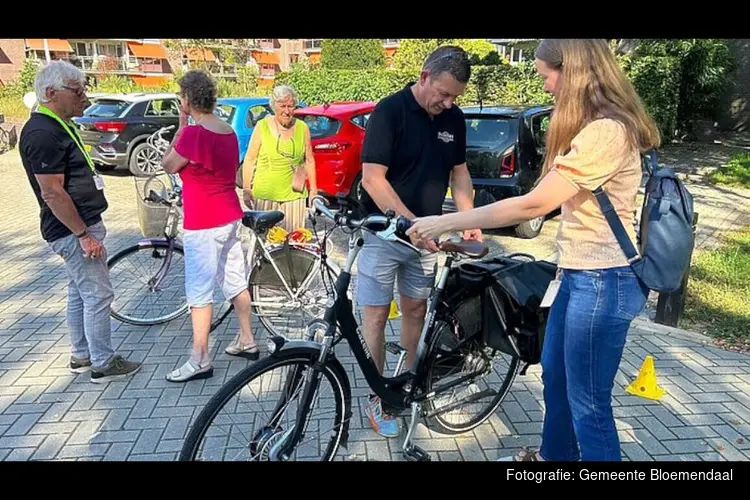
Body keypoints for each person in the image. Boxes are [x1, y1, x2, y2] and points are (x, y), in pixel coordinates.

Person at [406, 39, 661, 461]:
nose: (545, 87)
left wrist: (446, 220)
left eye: (546, 75)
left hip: (602, 283)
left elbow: (534, 204)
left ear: (573, 70)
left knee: (589, 405)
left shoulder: (607, 132)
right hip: (576, 278)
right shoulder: (593, 127)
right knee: (556, 382)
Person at [356, 45, 482, 438]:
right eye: (442, 93)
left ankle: (410, 384)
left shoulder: (454, 119)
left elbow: (459, 174)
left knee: (415, 310)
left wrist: (468, 219)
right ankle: (378, 395)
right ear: (424, 76)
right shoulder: (390, 111)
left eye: (454, 97)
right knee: (375, 317)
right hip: (383, 234)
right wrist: (409, 224)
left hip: (427, 238)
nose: (446, 103)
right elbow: (372, 178)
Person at [18, 60, 141, 383]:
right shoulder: (43, 132)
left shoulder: (56, 124)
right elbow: (53, 193)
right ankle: (103, 362)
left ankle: (82, 354)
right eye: (76, 91)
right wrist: (83, 234)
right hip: (74, 230)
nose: (84, 97)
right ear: (50, 92)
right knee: (99, 295)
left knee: (80, 292)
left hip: (78, 227)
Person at [161, 69, 259, 383]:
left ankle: (200, 357)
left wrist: (180, 124)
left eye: (182, 98)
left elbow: (168, 165)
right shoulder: (228, 131)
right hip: (230, 214)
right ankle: (247, 338)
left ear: (188, 100)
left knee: (199, 291)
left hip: (203, 221)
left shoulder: (193, 134)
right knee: (235, 279)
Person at [242, 85, 318, 232]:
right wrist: (246, 188)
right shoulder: (262, 126)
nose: (287, 111)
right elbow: (250, 158)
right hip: (265, 195)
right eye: (282, 106)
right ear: (273, 106)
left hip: (294, 196)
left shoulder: (302, 128)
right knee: (266, 245)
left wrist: (313, 191)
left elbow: (309, 160)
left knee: (293, 244)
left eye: (291, 106)